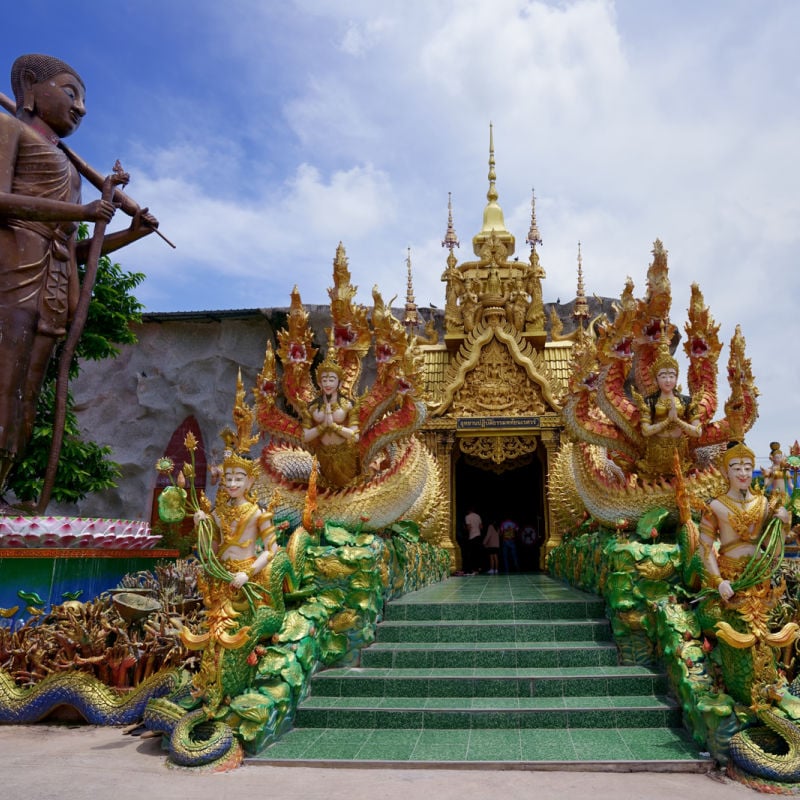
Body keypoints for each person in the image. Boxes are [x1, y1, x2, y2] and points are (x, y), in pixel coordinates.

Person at [0, 54, 158, 493]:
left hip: (52, 290)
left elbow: (76, 249)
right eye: (70, 93)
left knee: (24, 404)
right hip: (11, 279)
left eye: (83, 99)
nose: (81, 108)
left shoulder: (67, 163)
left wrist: (132, 233)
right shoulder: (9, 128)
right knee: (1, 393)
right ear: (31, 85)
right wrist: (82, 209)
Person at [699, 441, 791, 602]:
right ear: (726, 472)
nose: (743, 473)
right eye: (737, 469)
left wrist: (783, 524)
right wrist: (719, 581)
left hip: (759, 578)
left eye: (748, 468)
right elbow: (705, 547)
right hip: (729, 578)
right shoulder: (715, 506)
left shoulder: (764, 503)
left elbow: (774, 551)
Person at [193, 452, 279, 592]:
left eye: (238, 479)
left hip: (246, 577)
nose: (232, 484)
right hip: (221, 576)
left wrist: (247, 574)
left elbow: (271, 549)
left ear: (250, 481)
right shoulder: (217, 512)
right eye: (228, 479)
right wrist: (201, 525)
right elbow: (210, 552)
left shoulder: (258, 512)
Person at [638, 344, 701, 477]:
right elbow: (645, 431)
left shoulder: (687, 401)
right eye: (663, 376)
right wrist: (667, 421)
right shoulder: (649, 401)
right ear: (656, 379)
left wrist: (677, 420)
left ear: (676, 378)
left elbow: (697, 431)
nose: (668, 380)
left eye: (671, 376)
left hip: (679, 451)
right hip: (656, 452)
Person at [302, 348, 359, 488]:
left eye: (331, 379)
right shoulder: (312, 407)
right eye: (324, 380)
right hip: (322, 457)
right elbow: (305, 436)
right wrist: (322, 426)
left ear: (339, 383)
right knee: (325, 494)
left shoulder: (348, 404)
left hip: (345, 454)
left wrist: (333, 426)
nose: (328, 384)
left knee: (348, 490)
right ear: (319, 383)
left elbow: (355, 436)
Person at [463, 506, 482, 574]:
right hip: (478, 536)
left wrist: (465, 528)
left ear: (468, 511)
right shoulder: (478, 516)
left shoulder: (467, 517)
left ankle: (472, 569)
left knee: (471, 554)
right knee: (477, 553)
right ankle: (478, 568)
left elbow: (469, 527)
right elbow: (481, 527)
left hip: (472, 536)